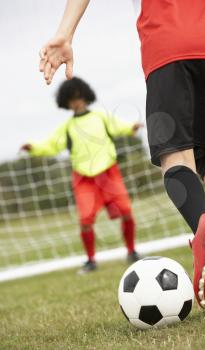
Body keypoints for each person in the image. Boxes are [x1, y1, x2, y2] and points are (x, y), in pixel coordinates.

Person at [38, 0, 205, 313]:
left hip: (168, 48)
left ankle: (201, 224)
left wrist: (65, 33)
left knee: (177, 159)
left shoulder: (99, 117)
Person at [21, 77, 142, 273]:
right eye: (71, 99)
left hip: (109, 173)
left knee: (126, 211)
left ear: (85, 96)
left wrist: (131, 128)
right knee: (85, 220)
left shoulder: (101, 117)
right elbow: (51, 145)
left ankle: (131, 251)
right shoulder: (67, 127)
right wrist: (33, 148)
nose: (76, 101)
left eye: (78, 97)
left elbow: (119, 126)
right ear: (66, 102)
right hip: (84, 178)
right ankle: (90, 260)